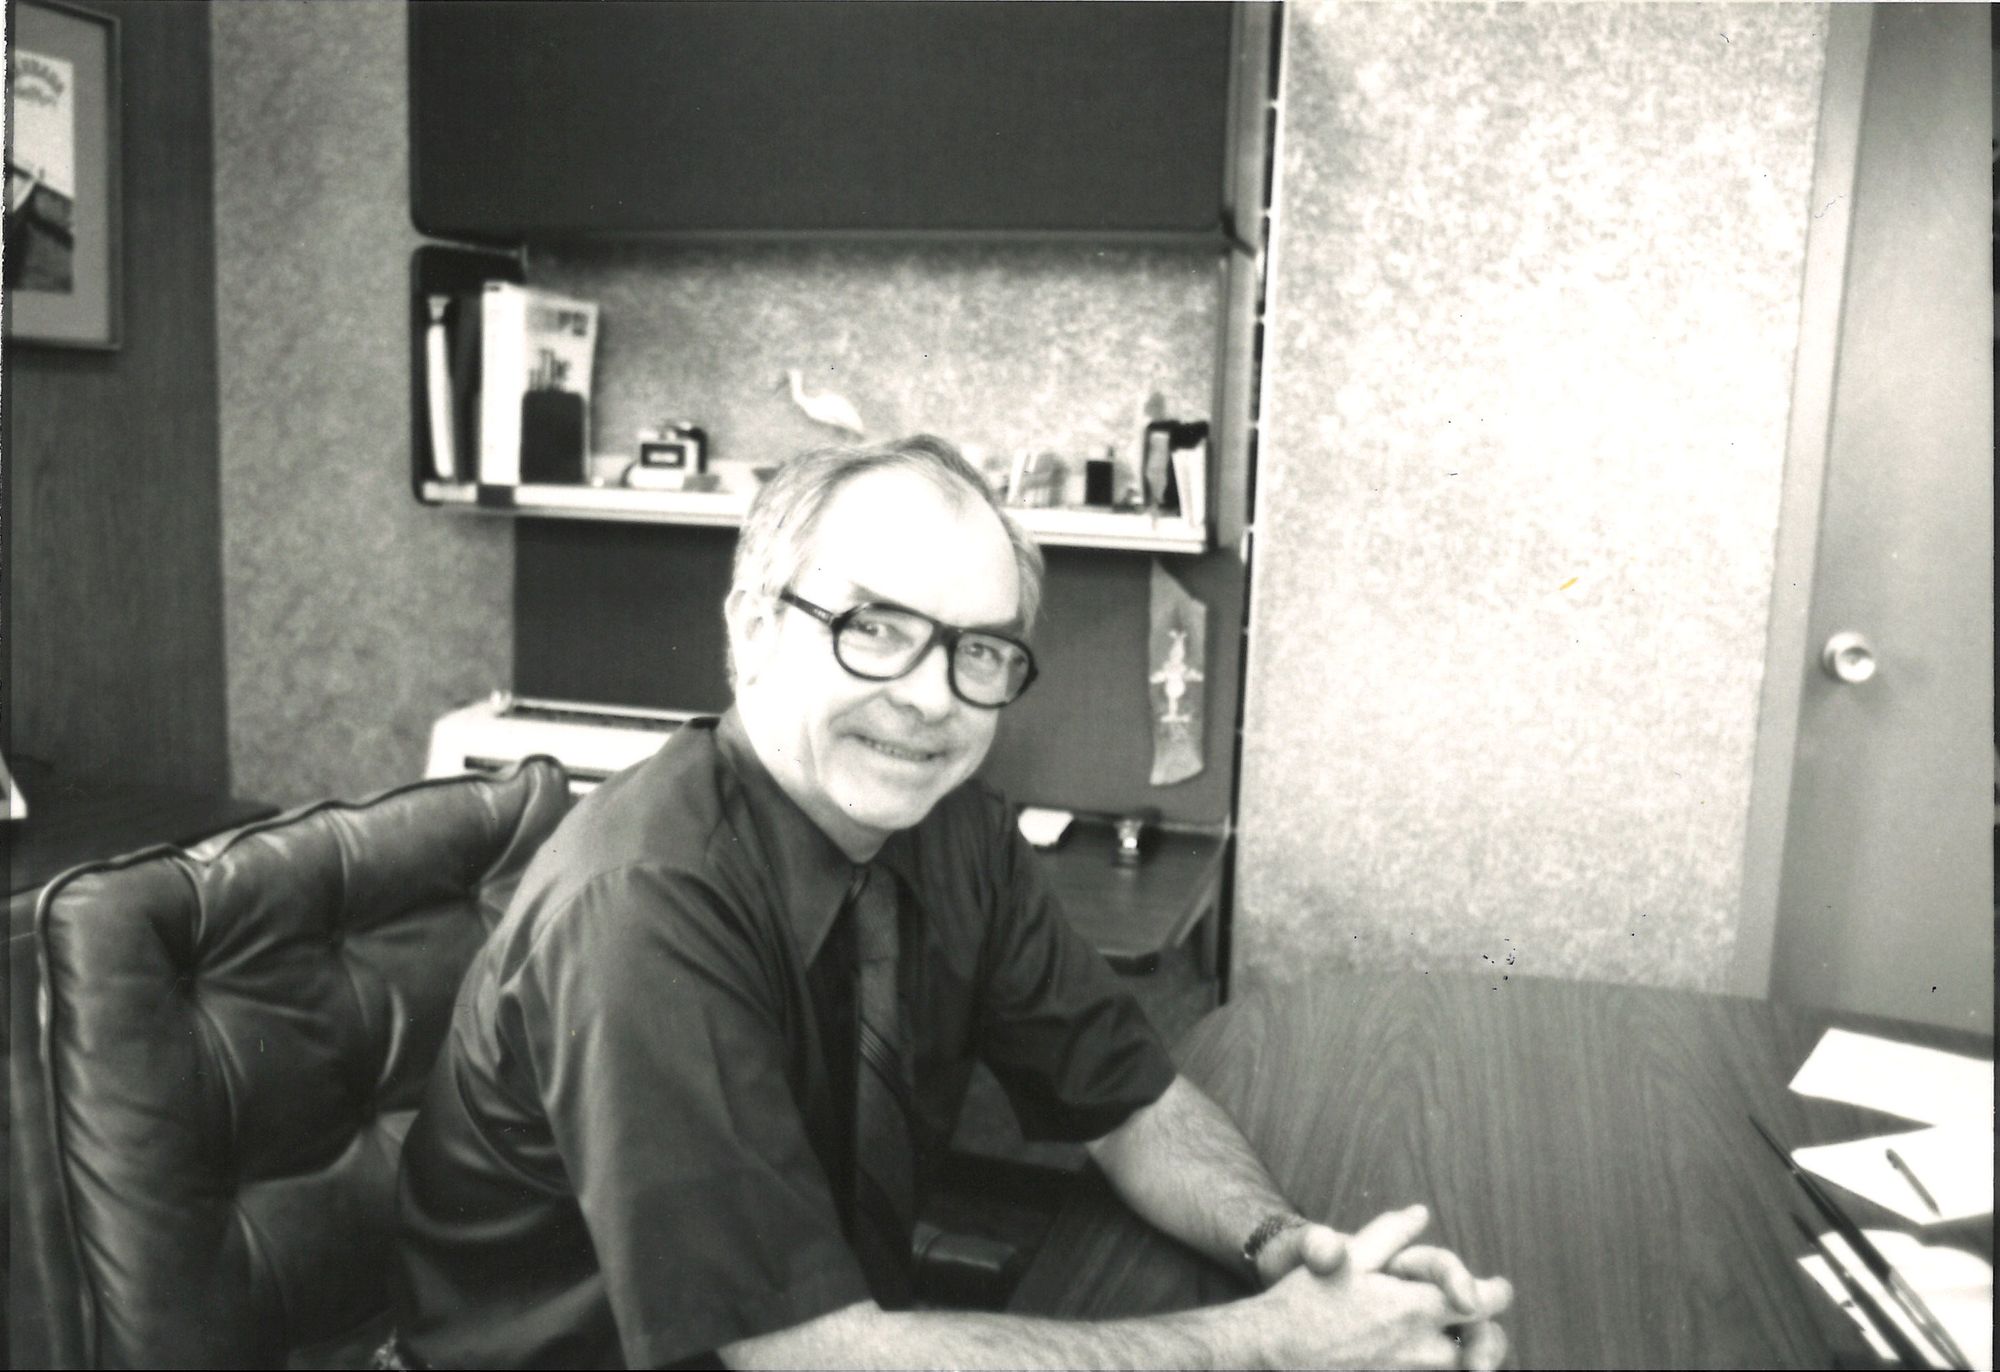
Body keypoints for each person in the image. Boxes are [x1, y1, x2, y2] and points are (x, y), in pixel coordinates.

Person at [389, 435, 1512, 1370]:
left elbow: (1128, 1102)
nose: (929, 696)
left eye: (977, 649)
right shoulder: (642, 906)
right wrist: (1275, 1345)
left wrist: (1287, 1250)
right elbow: (805, 1354)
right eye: (872, 628)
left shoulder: (953, 830)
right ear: (751, 629)